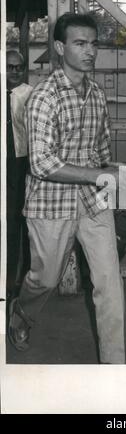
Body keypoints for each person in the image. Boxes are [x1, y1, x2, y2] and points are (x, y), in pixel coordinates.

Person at [8, 13, 125, 364]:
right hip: (49, 205)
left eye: (93, 43)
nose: (90, 51)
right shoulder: (43, 97)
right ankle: (20, 312)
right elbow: (41, 164)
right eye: (80, 43)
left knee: (110, 286)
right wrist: (95, 175)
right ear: (60, 48)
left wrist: (114, 177)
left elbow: (102, 151)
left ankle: (115, 369)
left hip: (93, 204)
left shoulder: (97, 94)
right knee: (44, 279)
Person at [6, 50, 33, 298]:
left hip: (19, 162)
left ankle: (17, 279)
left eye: (18, 67)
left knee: (17, 219)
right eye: (9, 67)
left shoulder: (28, 94)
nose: (14, 72)